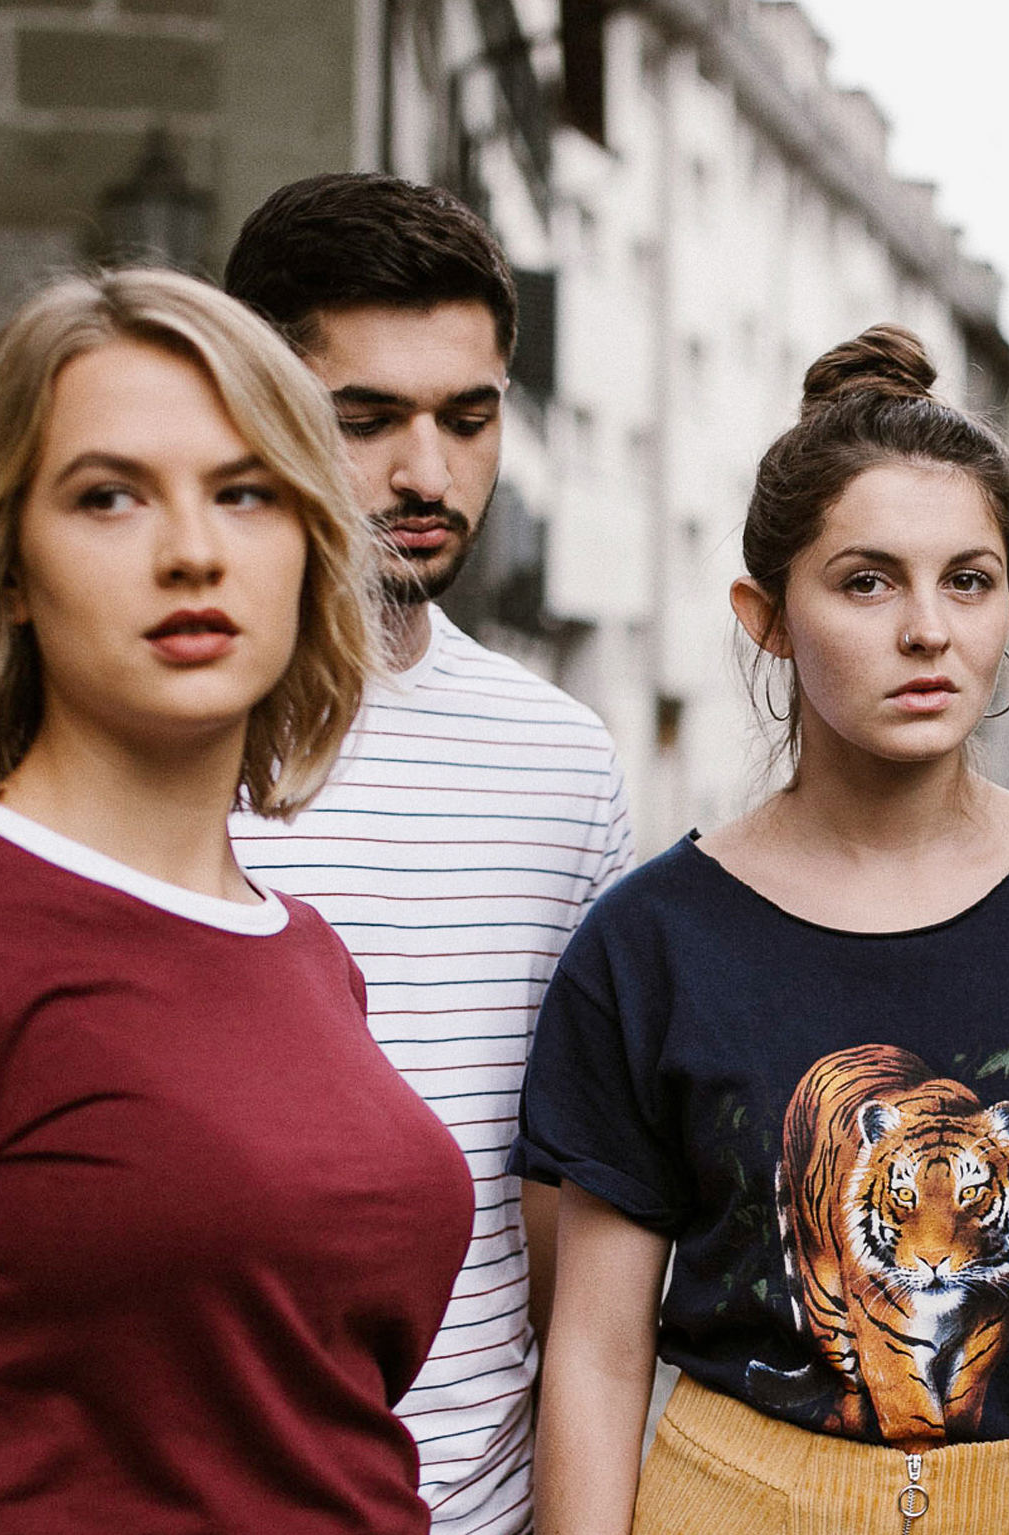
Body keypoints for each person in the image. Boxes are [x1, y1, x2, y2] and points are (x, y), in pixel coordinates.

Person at [515, 325, 1009, 1534]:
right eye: (866, 580)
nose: (926, 629)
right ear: (765, 613)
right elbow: (595, 1356)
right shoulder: (648, 941)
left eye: (965, 580)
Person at [0, 269, 475, 1533]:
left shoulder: (307, 955)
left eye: (245, 492)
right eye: (108, 496)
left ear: (310, 546)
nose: (191, 548)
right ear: (13, 569)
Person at [222, 172, 637, 1535]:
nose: (425, 472)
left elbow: (577, 1189)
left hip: (484, 1505)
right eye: (367, 418)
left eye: (468, 417)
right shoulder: (163, 738)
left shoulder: (561, 760)